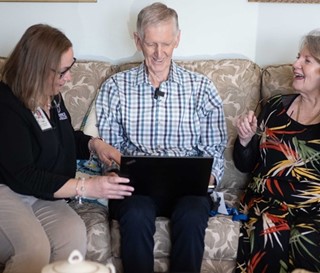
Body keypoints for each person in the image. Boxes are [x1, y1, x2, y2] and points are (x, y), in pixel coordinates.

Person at [95, 2, 227, 273]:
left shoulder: (201, 88)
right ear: (138, 40)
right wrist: (111, 171)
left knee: (192, 215)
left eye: (166, 43)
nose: (159, 53)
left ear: (177, 39)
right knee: (135, 212)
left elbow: (214, 151)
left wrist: (208, 177)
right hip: (136, 190)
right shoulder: (116, 87)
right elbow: (110, 149)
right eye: (151, 44)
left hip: (188, 190)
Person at [0, 24, 134, 273]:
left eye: (70, 67)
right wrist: (87, 186)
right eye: (63, 71)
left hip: (44, 191)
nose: (69, 77)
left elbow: (66, 137)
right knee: (33, 249)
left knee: (72, 240)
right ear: (37, 70)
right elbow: (24, 175)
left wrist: (95, 145)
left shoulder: (52, 95)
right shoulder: (6, 104)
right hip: (8, 190)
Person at [233, 29, 320, 273]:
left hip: (313, 207)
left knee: (308, 237)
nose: (295, 64)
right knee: (269, 230)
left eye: (307, 60)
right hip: (267, 201)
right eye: (298, 57)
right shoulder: (274, 108)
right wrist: (245, 140)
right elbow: (246, 166)